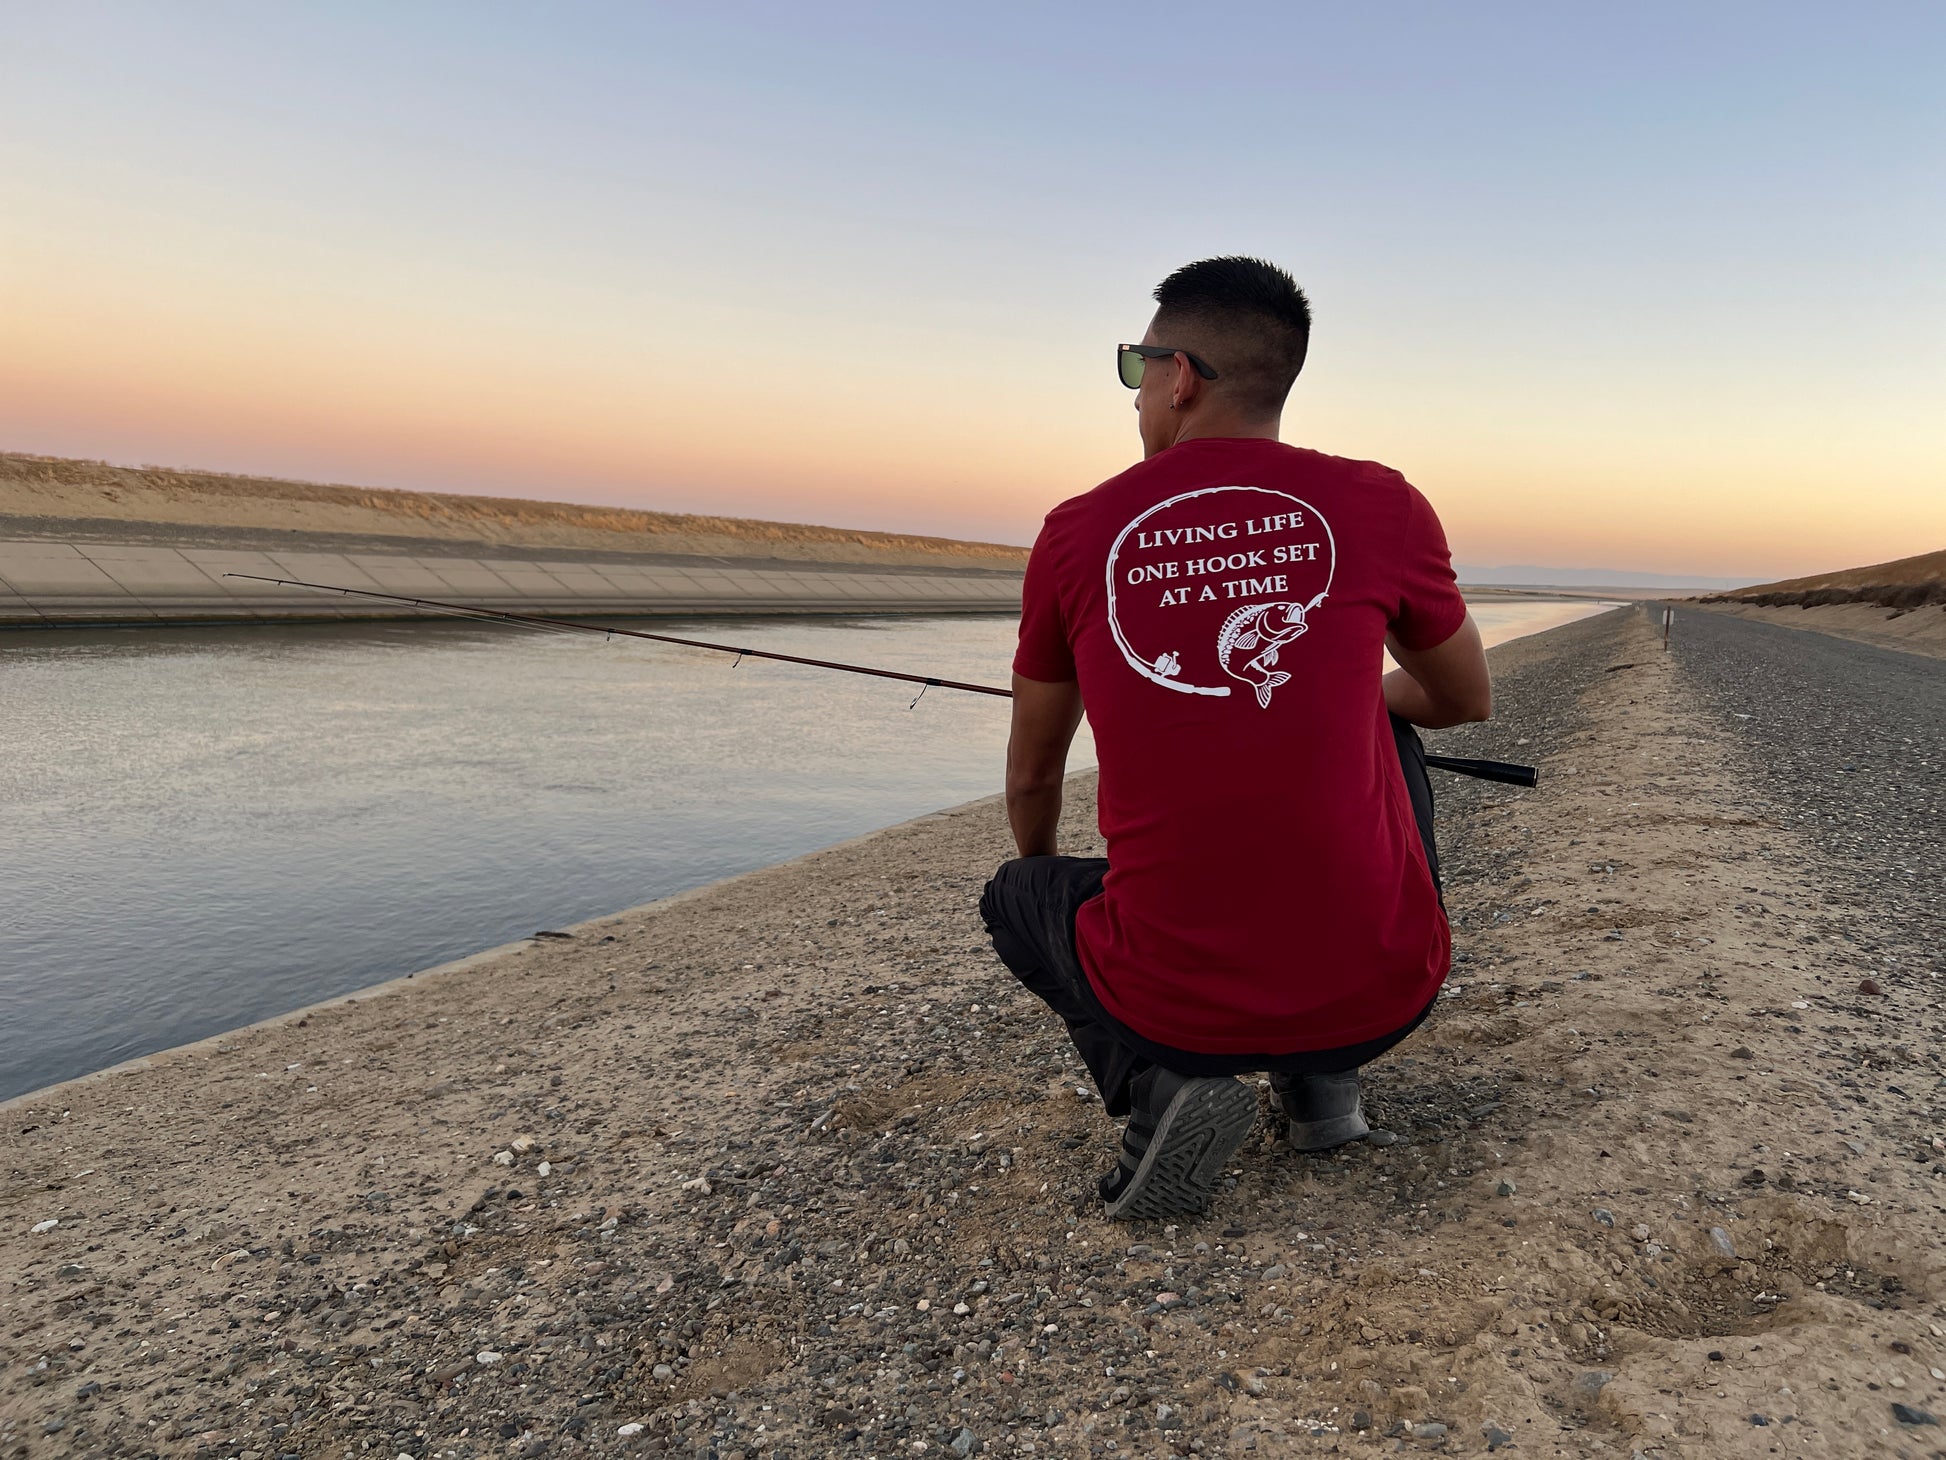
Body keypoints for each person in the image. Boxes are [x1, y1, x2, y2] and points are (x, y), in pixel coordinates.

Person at [979, 256, 1491, 1221]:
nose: (1136, 400)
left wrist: (1060, 893)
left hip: (1170, 1006)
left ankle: (1157, 1086)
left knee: (1015, 895)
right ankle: (1323, 1092)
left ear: (1181, 377)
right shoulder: (1384, 504)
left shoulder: (1076, 532)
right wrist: (1355, 699)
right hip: (1387, 991)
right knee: (1393, 724)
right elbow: (1464, 698)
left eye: (1138, 370)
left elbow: (1032, 769)